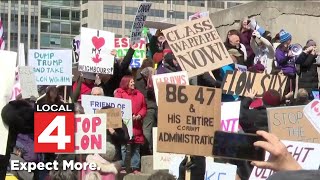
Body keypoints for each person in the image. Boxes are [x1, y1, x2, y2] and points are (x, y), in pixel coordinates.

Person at [114, 76, 147, 174]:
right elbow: (117, 106)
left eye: (133, 82)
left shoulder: (139, 95)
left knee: (136, 147)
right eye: (131, 82)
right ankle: (123, 166)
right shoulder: (119, 94)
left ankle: (135, 167)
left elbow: (144, 107)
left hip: (136, 125)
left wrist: (139, 115)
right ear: (126, 83)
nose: (133, 84)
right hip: (124, 125)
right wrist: (128, 116)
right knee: (124, 146)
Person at [136, 66, 157, 155]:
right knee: (148, 131)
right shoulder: (148, 83)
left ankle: (147, 150)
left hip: (144, 108)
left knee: (148, 130)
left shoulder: (137, 80)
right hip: (149, 107)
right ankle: (147, 151)